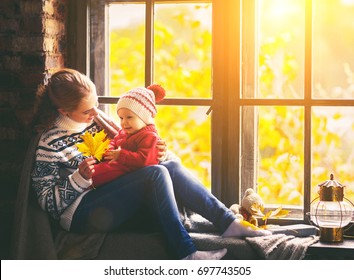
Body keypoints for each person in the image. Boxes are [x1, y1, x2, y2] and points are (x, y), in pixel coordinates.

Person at [31, 68, 271, 260]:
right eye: (87, 110)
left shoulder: (95, 122)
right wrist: (78, 179)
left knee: (170, 167)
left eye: (96, 104)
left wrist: (158, 152)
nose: (96, 112)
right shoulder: (48, 142)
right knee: (155, 174)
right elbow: (47, 203)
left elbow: (130, 149)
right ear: (64, 110)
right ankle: (186, 254)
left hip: (108, 189)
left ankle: (228, 222)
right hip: (80, 212)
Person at [91, 84, 166, 187]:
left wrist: (120, 155)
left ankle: (91, 182)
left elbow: (145, 161)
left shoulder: (149, 136)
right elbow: (115, 140)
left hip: (132, 172)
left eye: (129, 117)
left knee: (103, 172)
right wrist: (109, 148)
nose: (124, 122)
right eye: (121, 118)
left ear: (144, 117)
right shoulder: (126, 131)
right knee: (101, 168)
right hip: (121, 164)